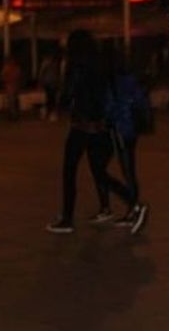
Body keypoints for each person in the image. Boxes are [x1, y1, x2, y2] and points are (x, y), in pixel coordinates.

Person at [46, 30, 119, 234]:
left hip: (81, 125)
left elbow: (69, 93)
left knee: (69, 171)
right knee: (98, 169)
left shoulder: (77, 65)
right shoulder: (101, 63)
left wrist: (61, 104)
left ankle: (67, 217)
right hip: (100, 126)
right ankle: (106, 207)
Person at [105, 56, 151, 234]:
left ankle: (134, 207)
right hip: (132, 129)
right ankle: (133, 208)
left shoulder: (114, 84)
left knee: (126, 170)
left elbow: (109, 107)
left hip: (121, 129)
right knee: (130, 170)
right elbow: (141, 101)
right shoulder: (131, 81)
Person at [1, 55, 23, 121]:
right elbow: (3, 76)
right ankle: (13, 115)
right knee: (12, 102)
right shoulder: (7, 68)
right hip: (10, 86)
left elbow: (18, 76)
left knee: (14, 102)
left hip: (14, 86)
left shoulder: (15, 68)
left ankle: (14, 115)